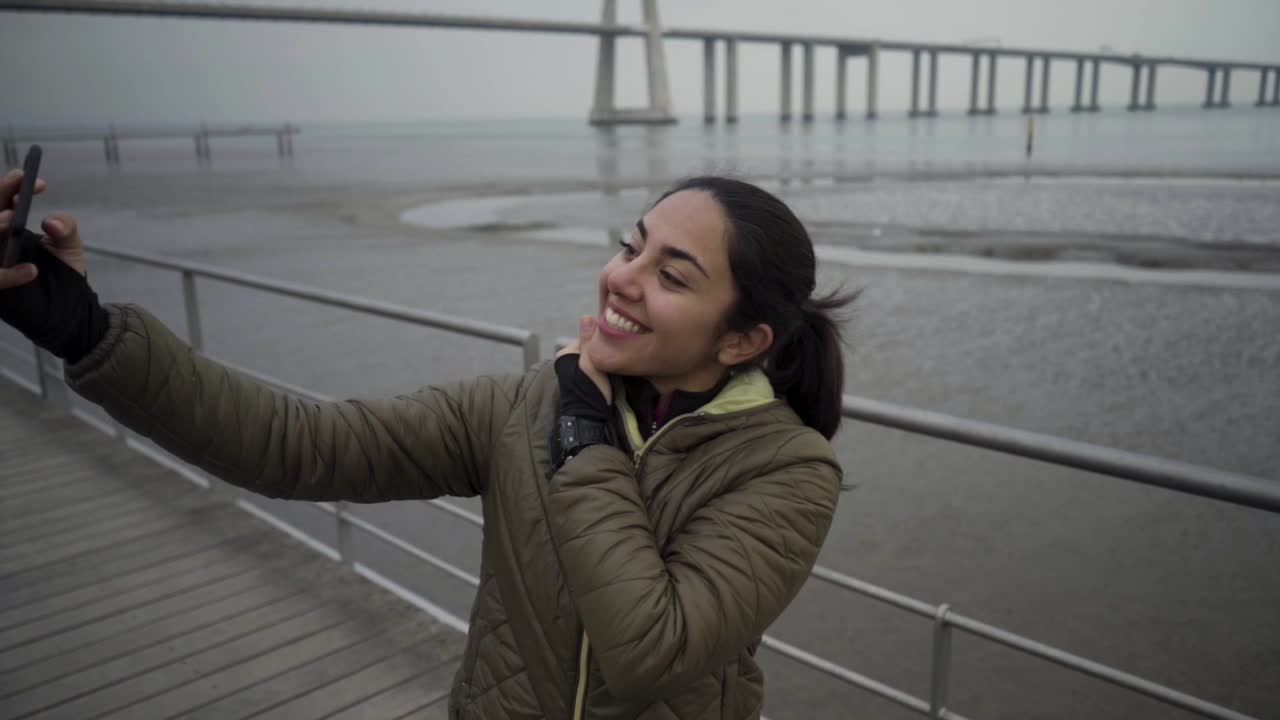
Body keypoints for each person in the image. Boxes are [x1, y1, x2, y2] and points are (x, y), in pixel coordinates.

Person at [0, 169, 853, 720]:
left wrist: (581, 428)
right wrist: (87, 333)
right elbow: (299, 445)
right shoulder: (522, 408)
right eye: (633, 245)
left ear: (742, 341)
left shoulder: (786, 473)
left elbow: (645, 649)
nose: (623, 279)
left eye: (672, 276)